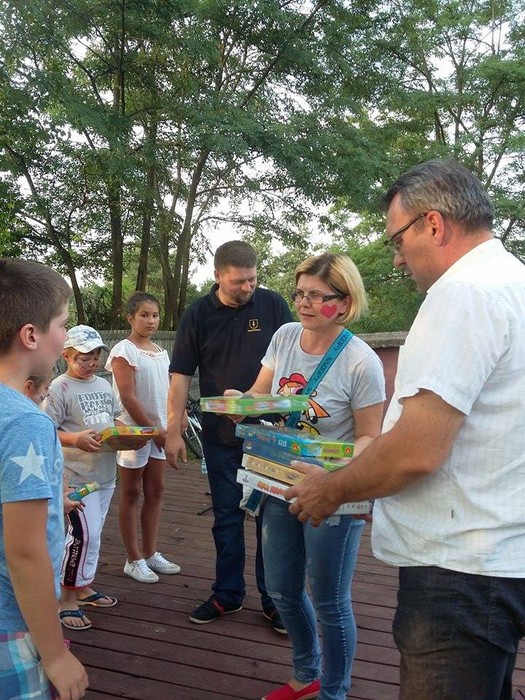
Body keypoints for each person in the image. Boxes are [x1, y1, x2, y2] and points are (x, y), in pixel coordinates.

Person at [285, 159, 525, 700]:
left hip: (457, 571)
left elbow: (416, 449)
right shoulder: (515, 281)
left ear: (433, 225)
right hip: (505, 557)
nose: (396, 257)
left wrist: (329, 488)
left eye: (398, 238)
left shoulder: (463, 295)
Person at [226, 253, 385, 700]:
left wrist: (330, 473)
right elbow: (264, 395)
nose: (304, 303)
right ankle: (306, 674)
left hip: (333, 493)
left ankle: (333, 692)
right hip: (277, 482)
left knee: (331, 602)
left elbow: (371, 439)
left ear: (345, 300)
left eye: (318, 295)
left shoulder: (360, 362)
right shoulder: (285, 336)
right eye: (300, 292)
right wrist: (245, 402)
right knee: (281, 589)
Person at [166, 240, 293, 631]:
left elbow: (296, 357)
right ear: (218, 275)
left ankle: (275, 601)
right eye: (239, 281)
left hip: (271, 436)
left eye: (253, 279)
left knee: (272, 520)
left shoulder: (273, 305)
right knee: (227, 517)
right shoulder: (198, 315)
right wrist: (173, 430)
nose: (248, 287)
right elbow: (181, 375)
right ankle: (228, 594)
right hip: (221, 437)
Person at [0, 258, 88, 699]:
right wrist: (55, 654)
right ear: (31, 335)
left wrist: (53, 498)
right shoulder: (25, 422)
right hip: (11, 626)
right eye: (62, 324)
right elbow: (24, 552)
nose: (66, 337)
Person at [44, 325, 120, 631]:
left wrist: (128, 436)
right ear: (67, 356)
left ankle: (83, 585)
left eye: (95, 355)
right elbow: (46, 429)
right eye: (83, 357)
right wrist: (75, 439)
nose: (91, 362)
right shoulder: (59, 388)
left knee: (94, 535)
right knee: (81, 536)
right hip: (76, 478)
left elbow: (114, 420)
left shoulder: (103, 385)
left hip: (105, 474)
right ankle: (66, 598)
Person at [105, 292, 180, 583]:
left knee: (156, 490)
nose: (150, 321)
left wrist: (173, 425)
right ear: (130, 317)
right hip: (133, 433)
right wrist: (154, 432)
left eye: (155, 315)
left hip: (159, 431)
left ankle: (150, 553)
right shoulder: (124, 350)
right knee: (131, 492)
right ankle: (133, 558)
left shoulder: (161, 352)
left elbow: (171, 391)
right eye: (144, 315)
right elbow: (128, 397)